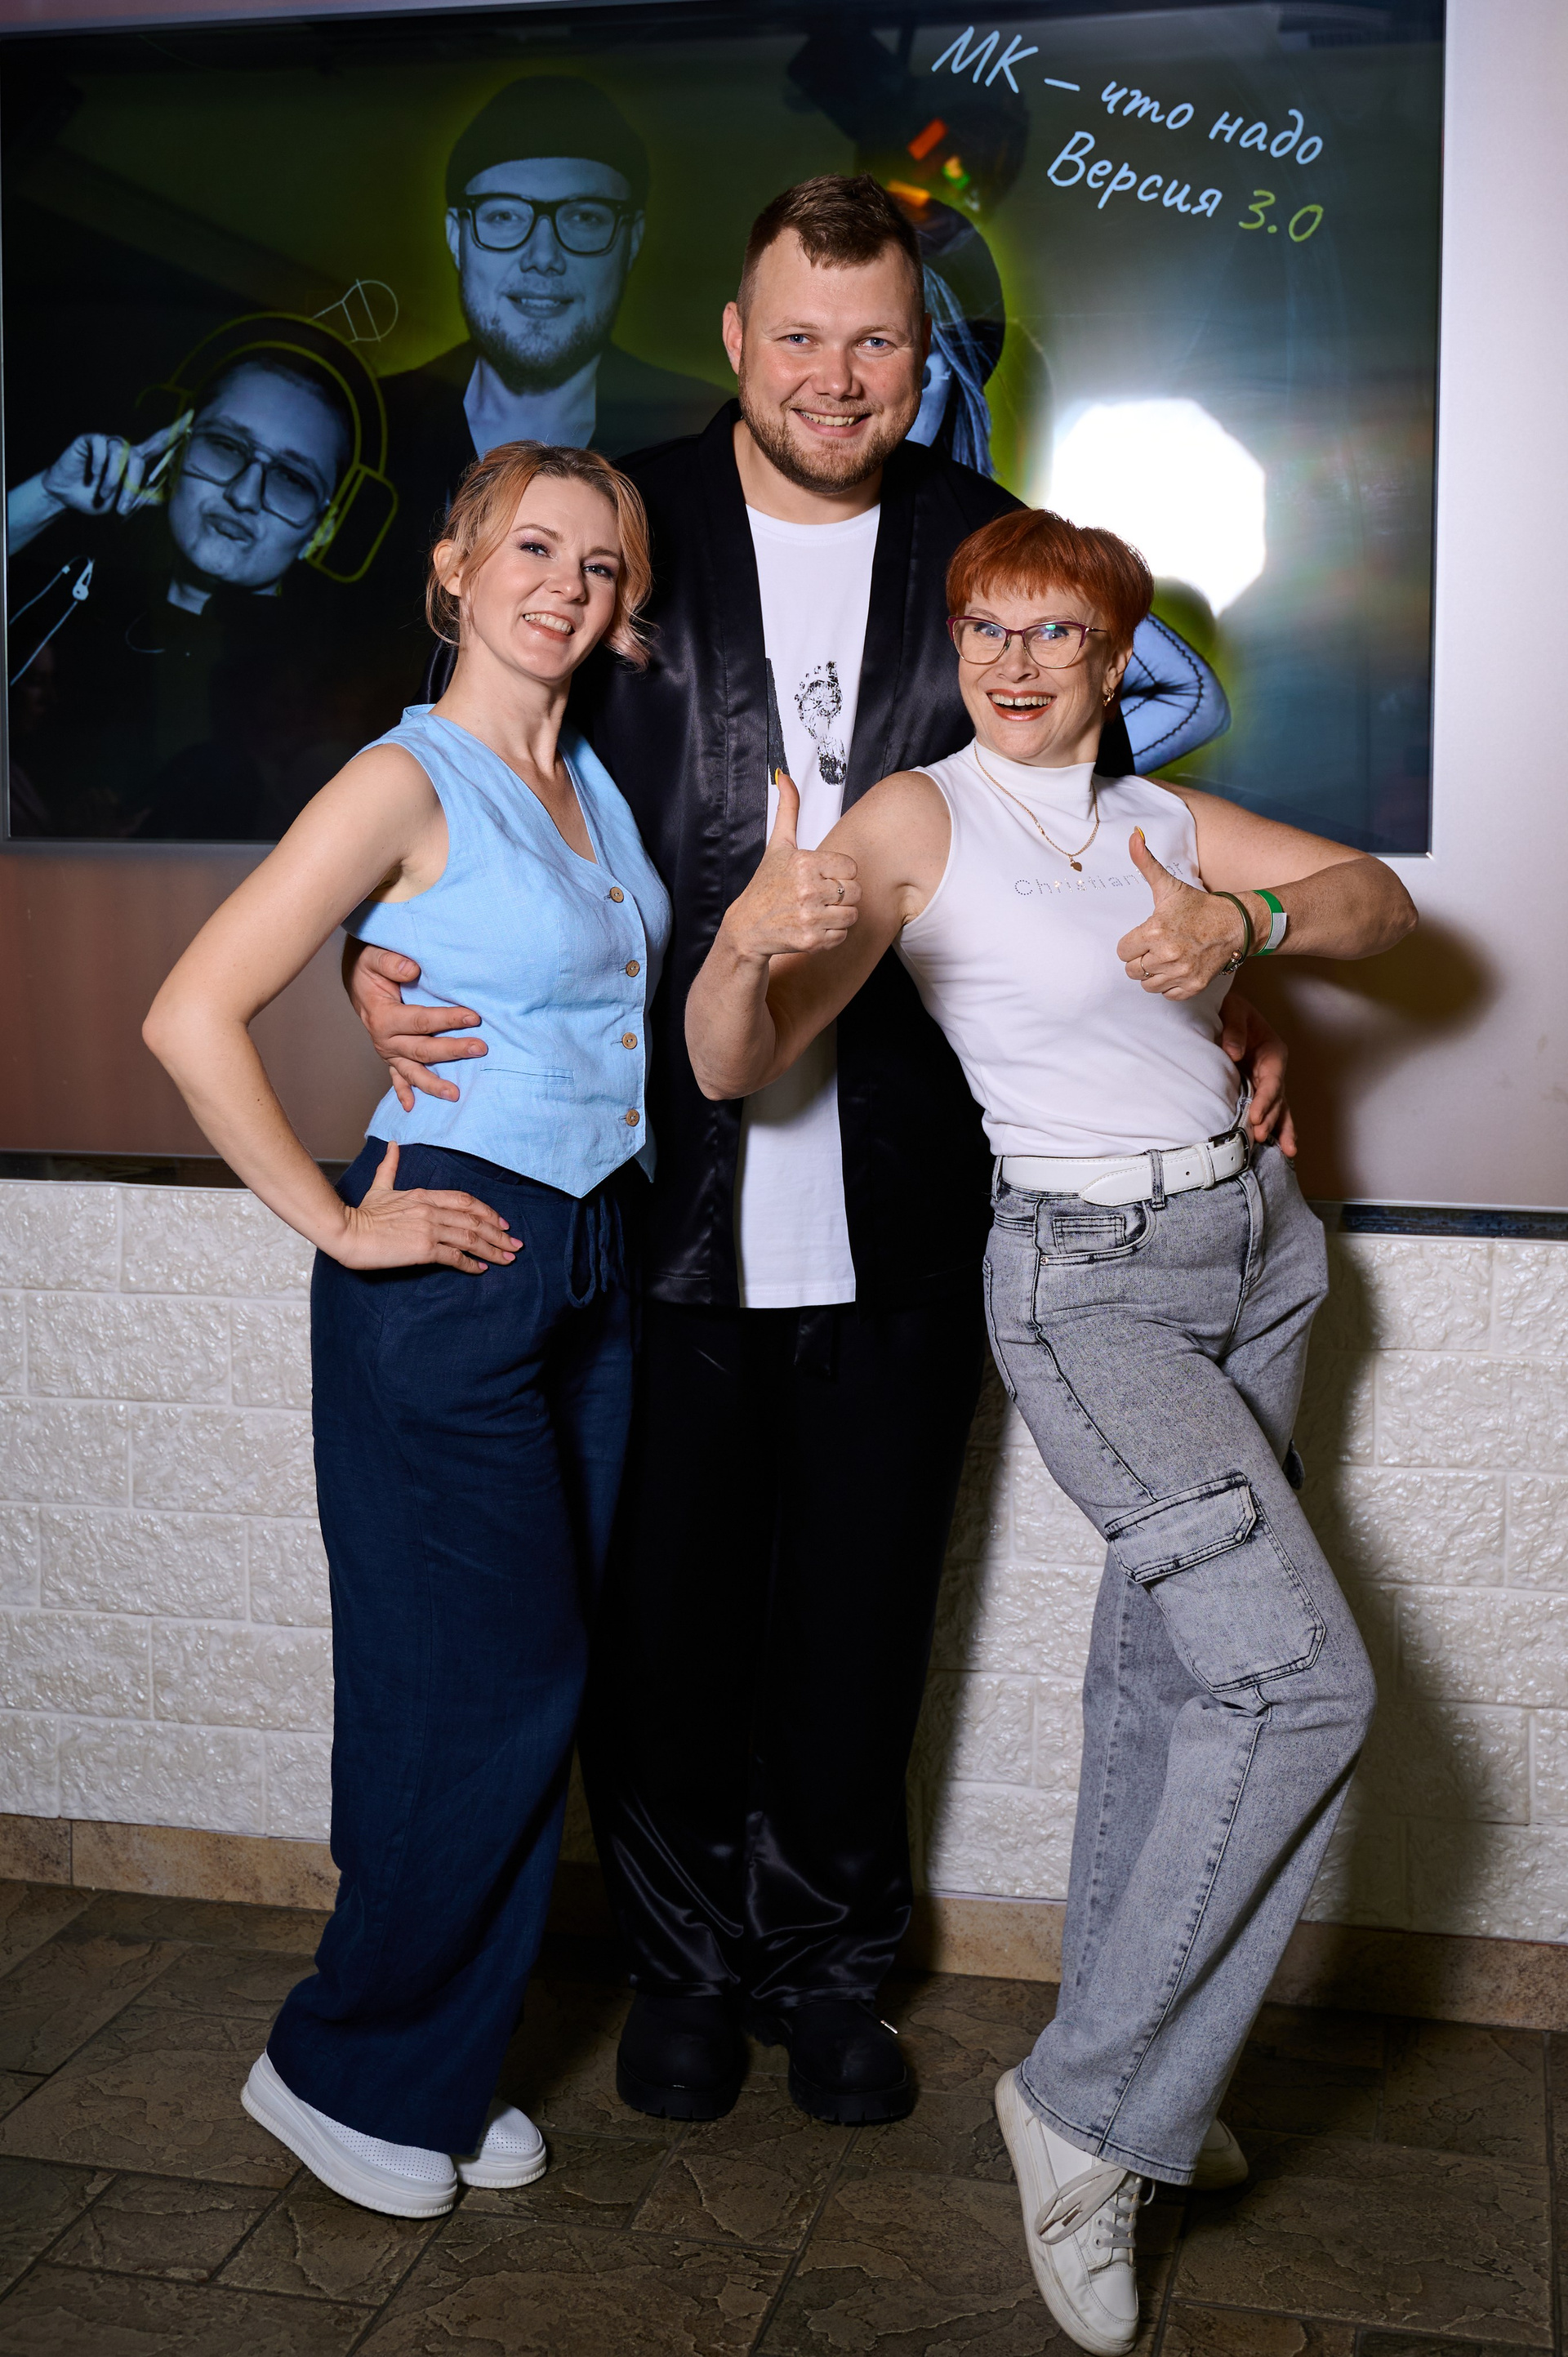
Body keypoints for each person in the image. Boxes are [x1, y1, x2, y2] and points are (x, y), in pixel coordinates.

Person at [346, 174, 1293, 2136]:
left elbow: (1095, 820)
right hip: (647, 1174)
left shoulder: (982, 548)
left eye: (874, 340)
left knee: (862, 1608)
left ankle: (832, 1966)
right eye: (799, 334)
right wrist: (385, 932)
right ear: (735, 338)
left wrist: (1225, 984)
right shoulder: (626, 525)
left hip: (918, 1177)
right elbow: (472, 743)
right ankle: (684, 1965)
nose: (836, 376)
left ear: (918, 353)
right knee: (666, 1614)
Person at [684, 505, 1414, 2352]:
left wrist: (1242, 927)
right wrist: (748, 943)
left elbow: (1379, 906)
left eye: (1056, 634)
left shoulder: (1159, 818)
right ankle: (1088, 2113)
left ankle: (1159, 2075)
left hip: (1258, 1250)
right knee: (1301, 1688)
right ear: (959, 650)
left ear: (1115, 657)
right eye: (986, 629)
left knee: (1173, 1681)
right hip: (1089, 1288)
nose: (1015, 663)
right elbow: (732, 1061)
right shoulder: (917, 819)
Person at [142, 441, 670, 2220]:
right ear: (453, 567)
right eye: (531, 548)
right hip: (450, 1266)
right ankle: (345, 2066)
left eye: (600, 564)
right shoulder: (401, 775)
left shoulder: (588, 779)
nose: (565, 585)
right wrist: (340, 1218)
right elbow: (191, 1010)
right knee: (482, 1688)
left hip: (591, 1256)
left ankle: (432, 2054)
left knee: (507, 1682)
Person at [5, 330, 381, 840]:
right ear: (176, 450)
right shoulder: (78, 617)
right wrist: (49, 495)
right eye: (225, 447)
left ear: (325, 528)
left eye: (292, 479)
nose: (244, 495)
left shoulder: (317, 669)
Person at [380, 74, 721, 625]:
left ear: (631, 241)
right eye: (504, 215)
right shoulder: (369, 425)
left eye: (584, 218)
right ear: (456, 236)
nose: (543, 257)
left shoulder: (706, 444)